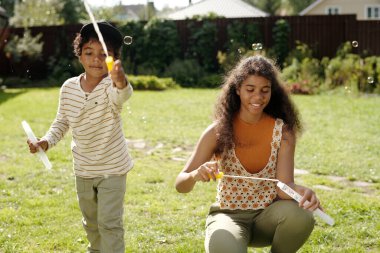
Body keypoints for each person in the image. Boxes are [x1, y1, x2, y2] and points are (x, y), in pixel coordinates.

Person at [175, 55, 321, 253]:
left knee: (302, 215)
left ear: (272, 92)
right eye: (250, 89)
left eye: (264, 90)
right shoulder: (217, 131)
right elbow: (180, 184)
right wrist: (195, 175)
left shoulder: (283, 132)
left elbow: (283, 187)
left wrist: (302, 192)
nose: (258, 97)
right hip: (228, 217)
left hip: (268, 216)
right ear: (237, 90)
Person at [27, 21, 133, 253]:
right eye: (89, 52)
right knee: (91, 224)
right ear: (80, 55)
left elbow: (123, 94)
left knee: (109, 224)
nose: (96, 59)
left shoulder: (111, 87)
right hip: (83, 169)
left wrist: (120, 79)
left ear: (113, 60)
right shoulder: (68, 88)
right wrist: (46, 141)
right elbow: (62, 122)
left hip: (112, 169)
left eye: (103, 54)